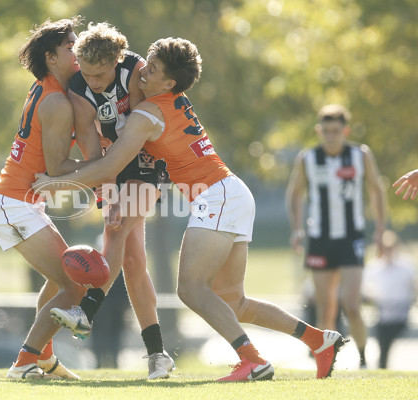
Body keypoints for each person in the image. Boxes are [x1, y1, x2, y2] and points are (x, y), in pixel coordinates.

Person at [35, 37, 346, 381]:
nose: (141, 71)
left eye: (150, 69)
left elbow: (109, 168)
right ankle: (318, 340)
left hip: (216, 197)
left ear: (168, 82)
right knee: (233, 301)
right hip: (232, 194)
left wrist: (55, 182)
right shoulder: (168, 100)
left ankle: (253, 360)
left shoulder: (145, 115)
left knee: (191, 290)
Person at [48, 22, 174, 379]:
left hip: (147, 157)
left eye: (100, 74)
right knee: (132, 262)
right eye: (87, 74)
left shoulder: (134, 69)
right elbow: (88, 140)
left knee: (114, 231)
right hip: (110, 163)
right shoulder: (78, 86)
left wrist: (120, 192)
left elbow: (139, 130)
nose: (94, 82)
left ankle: (87, 310)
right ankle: (158, 356)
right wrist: (107, 189)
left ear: (117, 60)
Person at [0, 16, 87, 380]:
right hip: (14, 204)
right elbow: (57, 168)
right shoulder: (56, 101)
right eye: (70, 46)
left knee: (63, 282)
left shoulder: (47, 88)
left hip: (16, 202)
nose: (78, 51)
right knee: (75, 282)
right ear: (51, 58)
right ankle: (26, 361)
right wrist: (105, 166)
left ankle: (43, 357)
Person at [286, 104, 387, 368]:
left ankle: (364, 360)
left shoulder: (360, 155)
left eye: (336, 131)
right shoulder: (308, 158)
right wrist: (297, 228)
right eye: (326, 131)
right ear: (319, 131)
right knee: (325, 307)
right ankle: (326, 363)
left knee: (352, 304)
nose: (331, 136)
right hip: (320, 238)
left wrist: (380, 229)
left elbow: (377, 190)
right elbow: (295, 193)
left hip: (351, 237)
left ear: (345, 130)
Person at [364, 230, 416, 369]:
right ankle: (382, 366)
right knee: (383, 342)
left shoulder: (406, 266)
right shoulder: (374, 267)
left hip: (402, 313)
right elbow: (366, 289)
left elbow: (413, 287)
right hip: (383, 313)